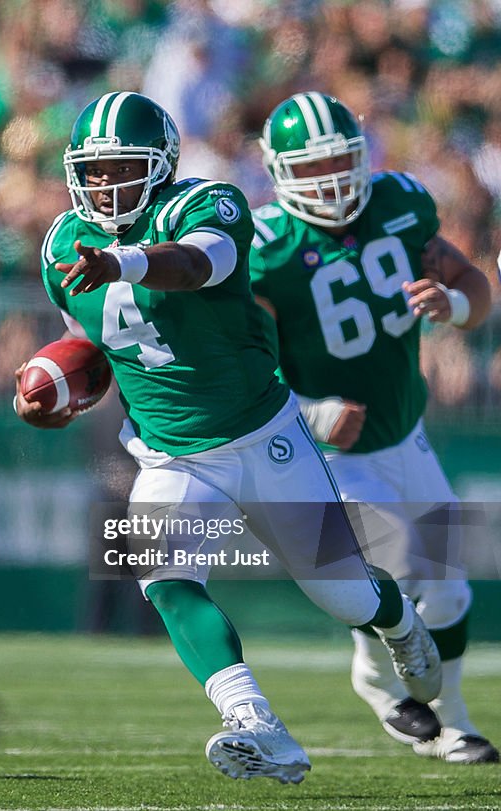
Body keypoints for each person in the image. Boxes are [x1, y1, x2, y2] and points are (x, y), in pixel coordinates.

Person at [15, 90, 443, 783]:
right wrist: (53, 388)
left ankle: (399, 622)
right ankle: (256, 723)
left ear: (160, 166)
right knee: (163, 576)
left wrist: (124, 262)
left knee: (343, 595)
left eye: (122, 167)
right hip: (170, 450)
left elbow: (197, 263)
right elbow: (91, 339)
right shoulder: (63, 242)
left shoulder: (203, 203)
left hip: (262, 435)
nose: (105, 183)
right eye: (92, 171)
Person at [249, 91, 497, 764]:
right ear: (277, 173)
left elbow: (474, 283)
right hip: (326, 448)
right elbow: (242, 370)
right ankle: (377, 677)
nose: (331, 180)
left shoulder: (399, 204)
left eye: (340, 160)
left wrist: (452, 303)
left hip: (404, 431)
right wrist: (310, 412)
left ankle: (453, 717)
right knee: (390, 557)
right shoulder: (267, 250)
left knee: (449, 586)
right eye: (312, 167)